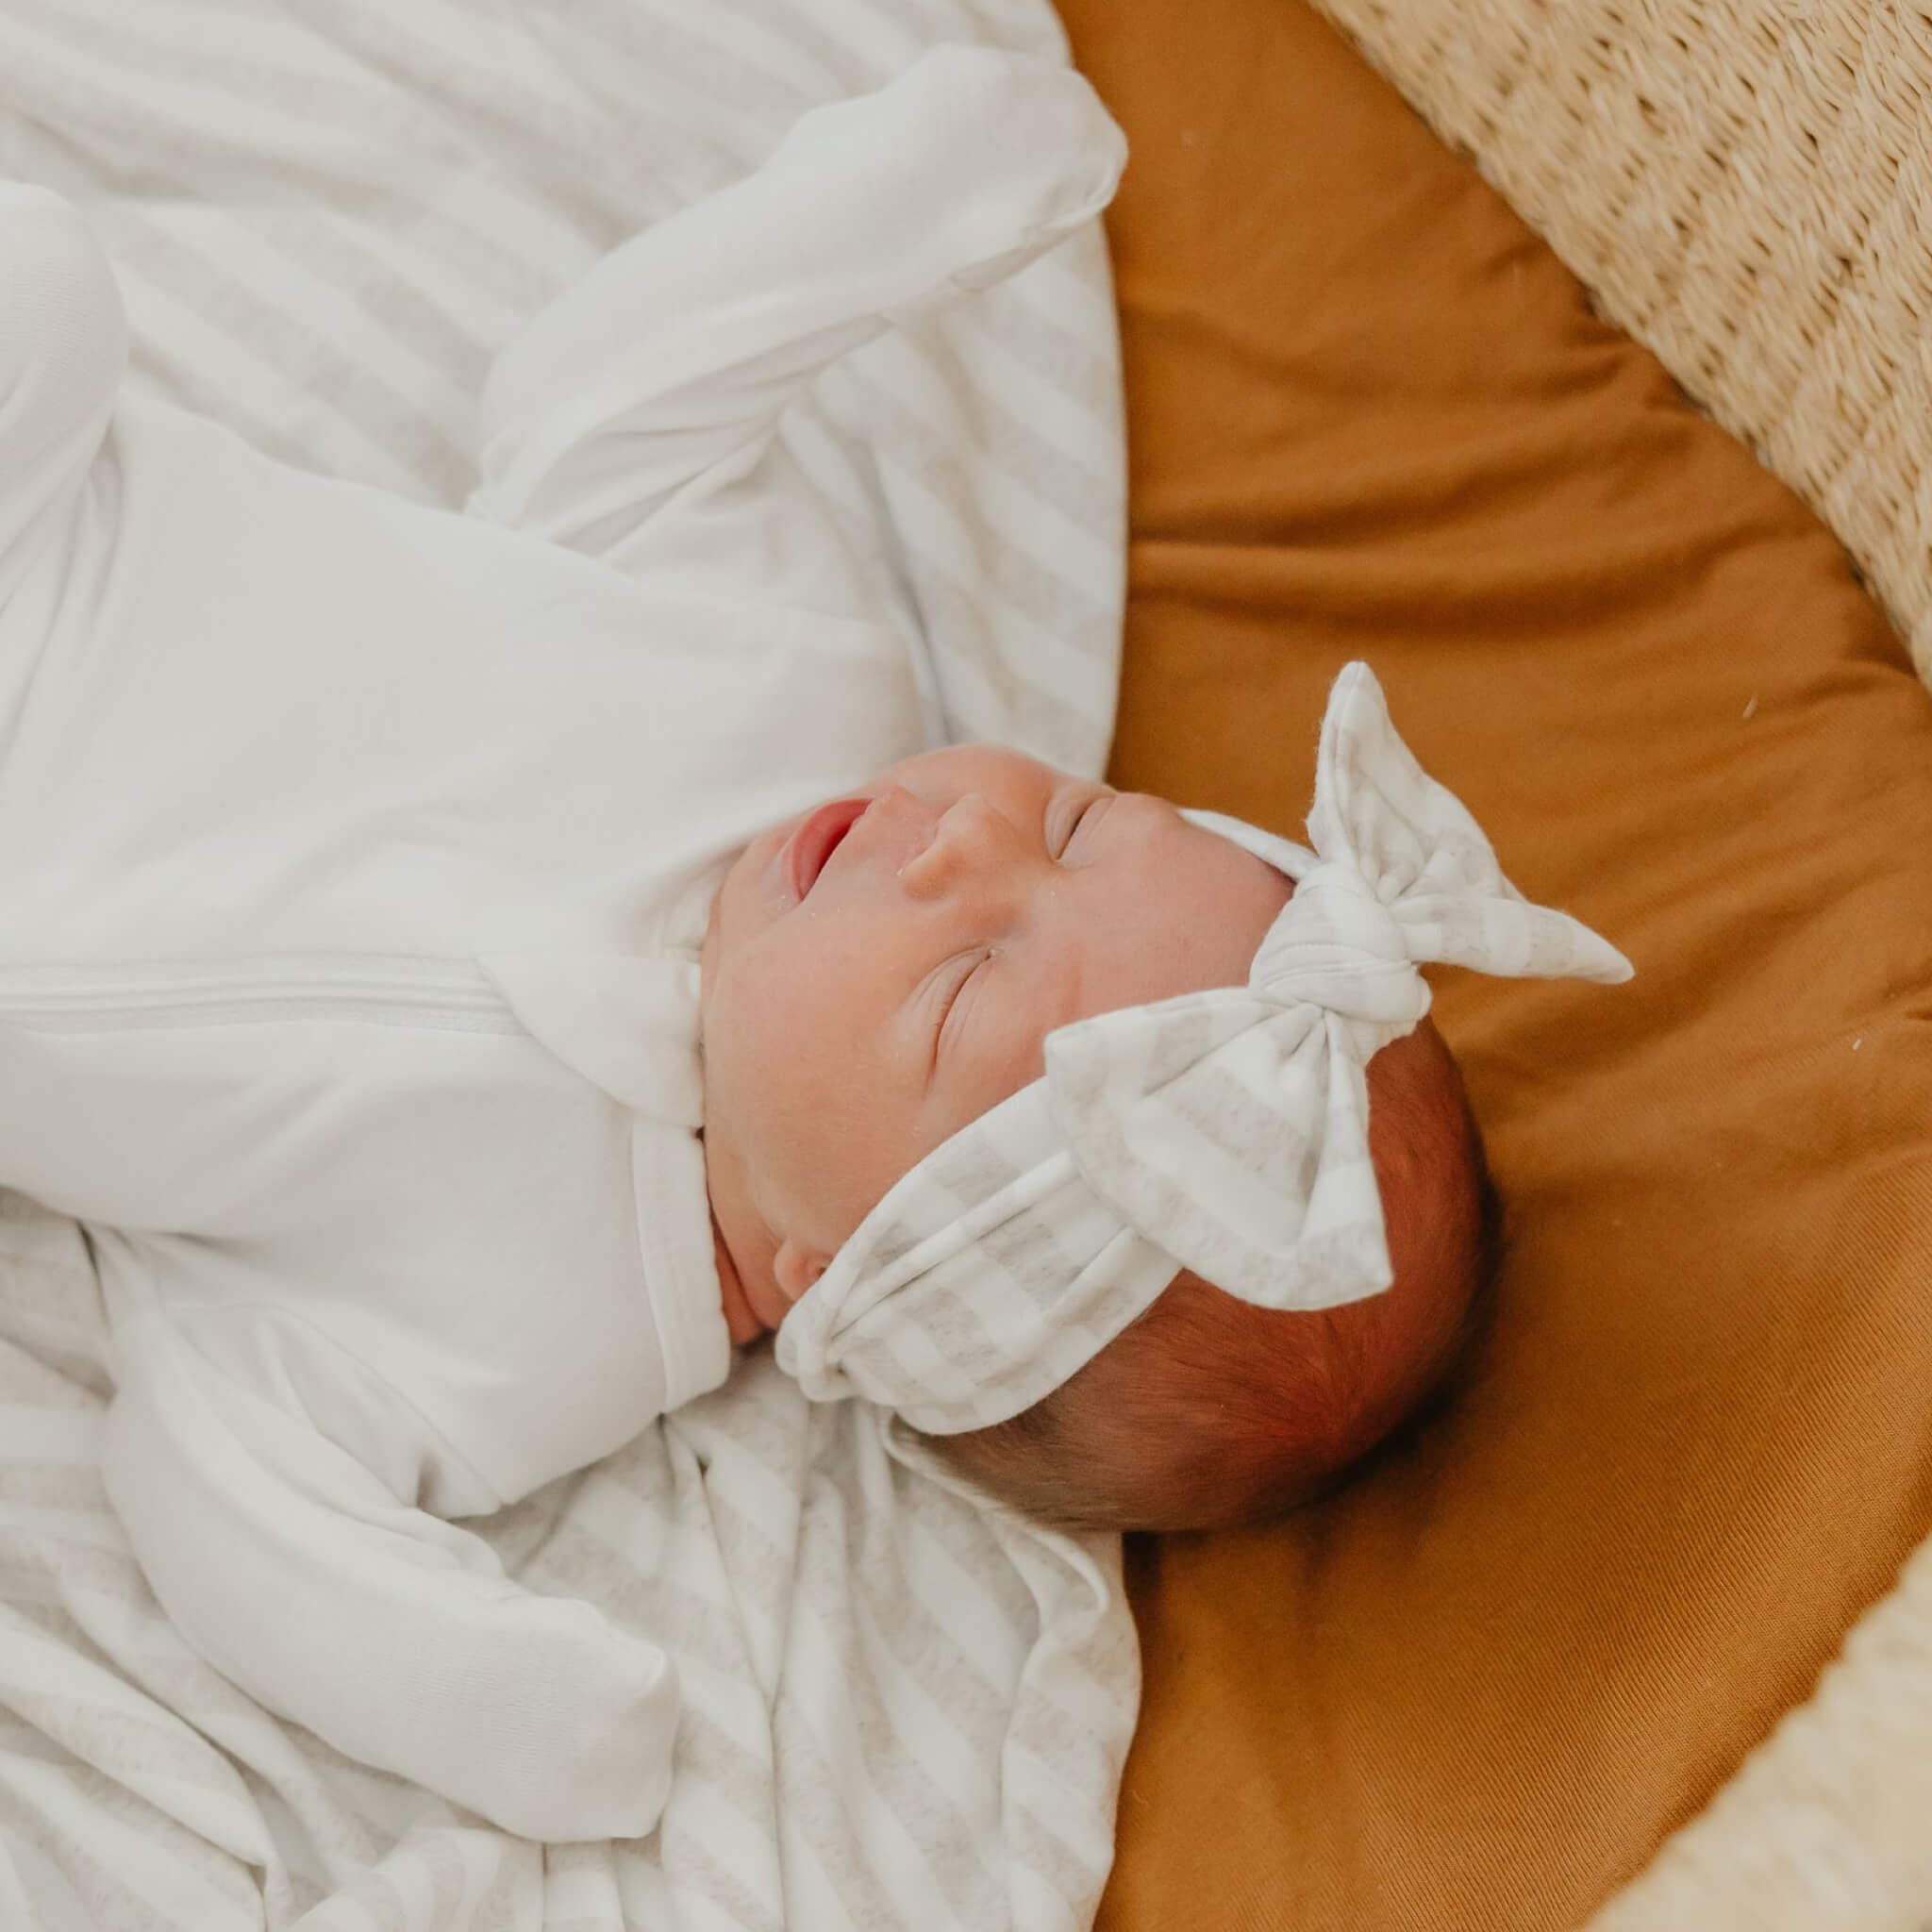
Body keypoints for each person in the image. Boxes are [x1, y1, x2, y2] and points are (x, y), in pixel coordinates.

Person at [0, 42, 1628, 1846]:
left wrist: (485, 1694)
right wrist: (898, 208)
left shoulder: (550, 1327)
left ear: (832, 1268)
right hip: (50, 541)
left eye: (963, 983)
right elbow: (616, 401)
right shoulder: (782, 685)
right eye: (1077, 821)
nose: (961, 837)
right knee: (44, 291)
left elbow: (225, 1469)